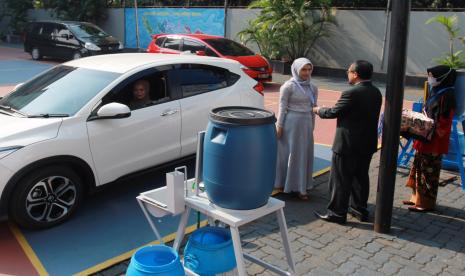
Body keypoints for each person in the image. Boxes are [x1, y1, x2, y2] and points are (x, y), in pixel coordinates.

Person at [313, 60, 382, 224]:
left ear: (356, 74)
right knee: (360, 178)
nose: (347, 74)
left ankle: (337, 212)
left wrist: (318, 110)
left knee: (340, 180)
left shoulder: (351, 93)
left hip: (347, 144)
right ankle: (359, 209)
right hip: (367, 143)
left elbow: (333, 112)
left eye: (349, 71)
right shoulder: (376, 91)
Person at [403, 65, 456, 212]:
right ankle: (416, 198)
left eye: (432, 75)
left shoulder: (447, 96)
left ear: (442, 77)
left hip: (433, 141)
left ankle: (425, 203)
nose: (430, 78)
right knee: (419, 167)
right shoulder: (437, 91)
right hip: (425, 136)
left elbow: (444, 122)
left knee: (429, 171)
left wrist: (428, 128)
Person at [275, 57, 318, 201]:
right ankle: (282, 183)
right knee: (288, 154)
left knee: (303, 155)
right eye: (303, 69)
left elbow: (314, 107)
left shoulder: (313, 87)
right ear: (296, 69)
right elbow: (282, 107)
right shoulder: (288, 86)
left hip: (306, 124)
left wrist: (312, 125)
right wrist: (279, 126)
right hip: (291, 124)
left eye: (309, 69)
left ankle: (301, 187)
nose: (307, 72)